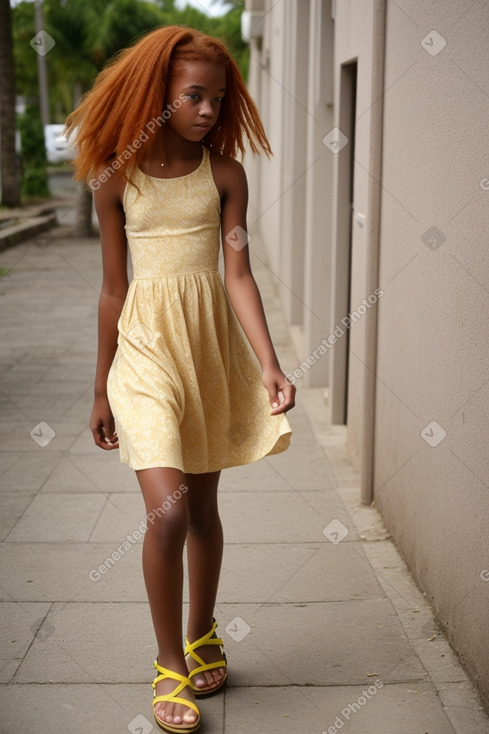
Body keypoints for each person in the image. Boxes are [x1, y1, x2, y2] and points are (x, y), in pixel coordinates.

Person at [65, 25, 295, 733]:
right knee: (166, 509)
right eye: (193, 95)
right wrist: (101, 387)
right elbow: (112, 289)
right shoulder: (114, 177)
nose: (206, 109)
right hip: (143, 356)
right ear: (156, 95)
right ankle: (169, 663)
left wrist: (269, 362)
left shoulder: (225, 175)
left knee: (199, 511)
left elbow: (237, 273)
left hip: (207, 355)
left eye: (216, 98)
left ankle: (201, 633)